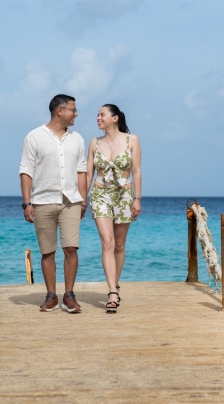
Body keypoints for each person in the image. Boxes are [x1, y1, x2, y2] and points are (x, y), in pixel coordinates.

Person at [19, 94, 88, 313]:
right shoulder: (34, 137)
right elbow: (26, 170)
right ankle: (50, 295)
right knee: (47, 251)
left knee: (71, 248)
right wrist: (26, 203)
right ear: (60, 111)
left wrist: (83, 200)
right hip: (42, 201)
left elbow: (82, 171)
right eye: (73, 110)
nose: (76, 114)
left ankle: (69, 295)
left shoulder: (77, 138)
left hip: (70, 201)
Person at [87, 104, 142, 313]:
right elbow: (88, 172)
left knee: (119, 244)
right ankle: (112, 291)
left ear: (115, 118)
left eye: (102, 114)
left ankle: (115, 285)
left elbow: (136, 171)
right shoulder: (94, 142)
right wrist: (83, 200)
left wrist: (137, 198)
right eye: (98, 115)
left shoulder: (132, 140)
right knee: (107, 242)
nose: (98, 118)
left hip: (124, 195)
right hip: (100, 194)